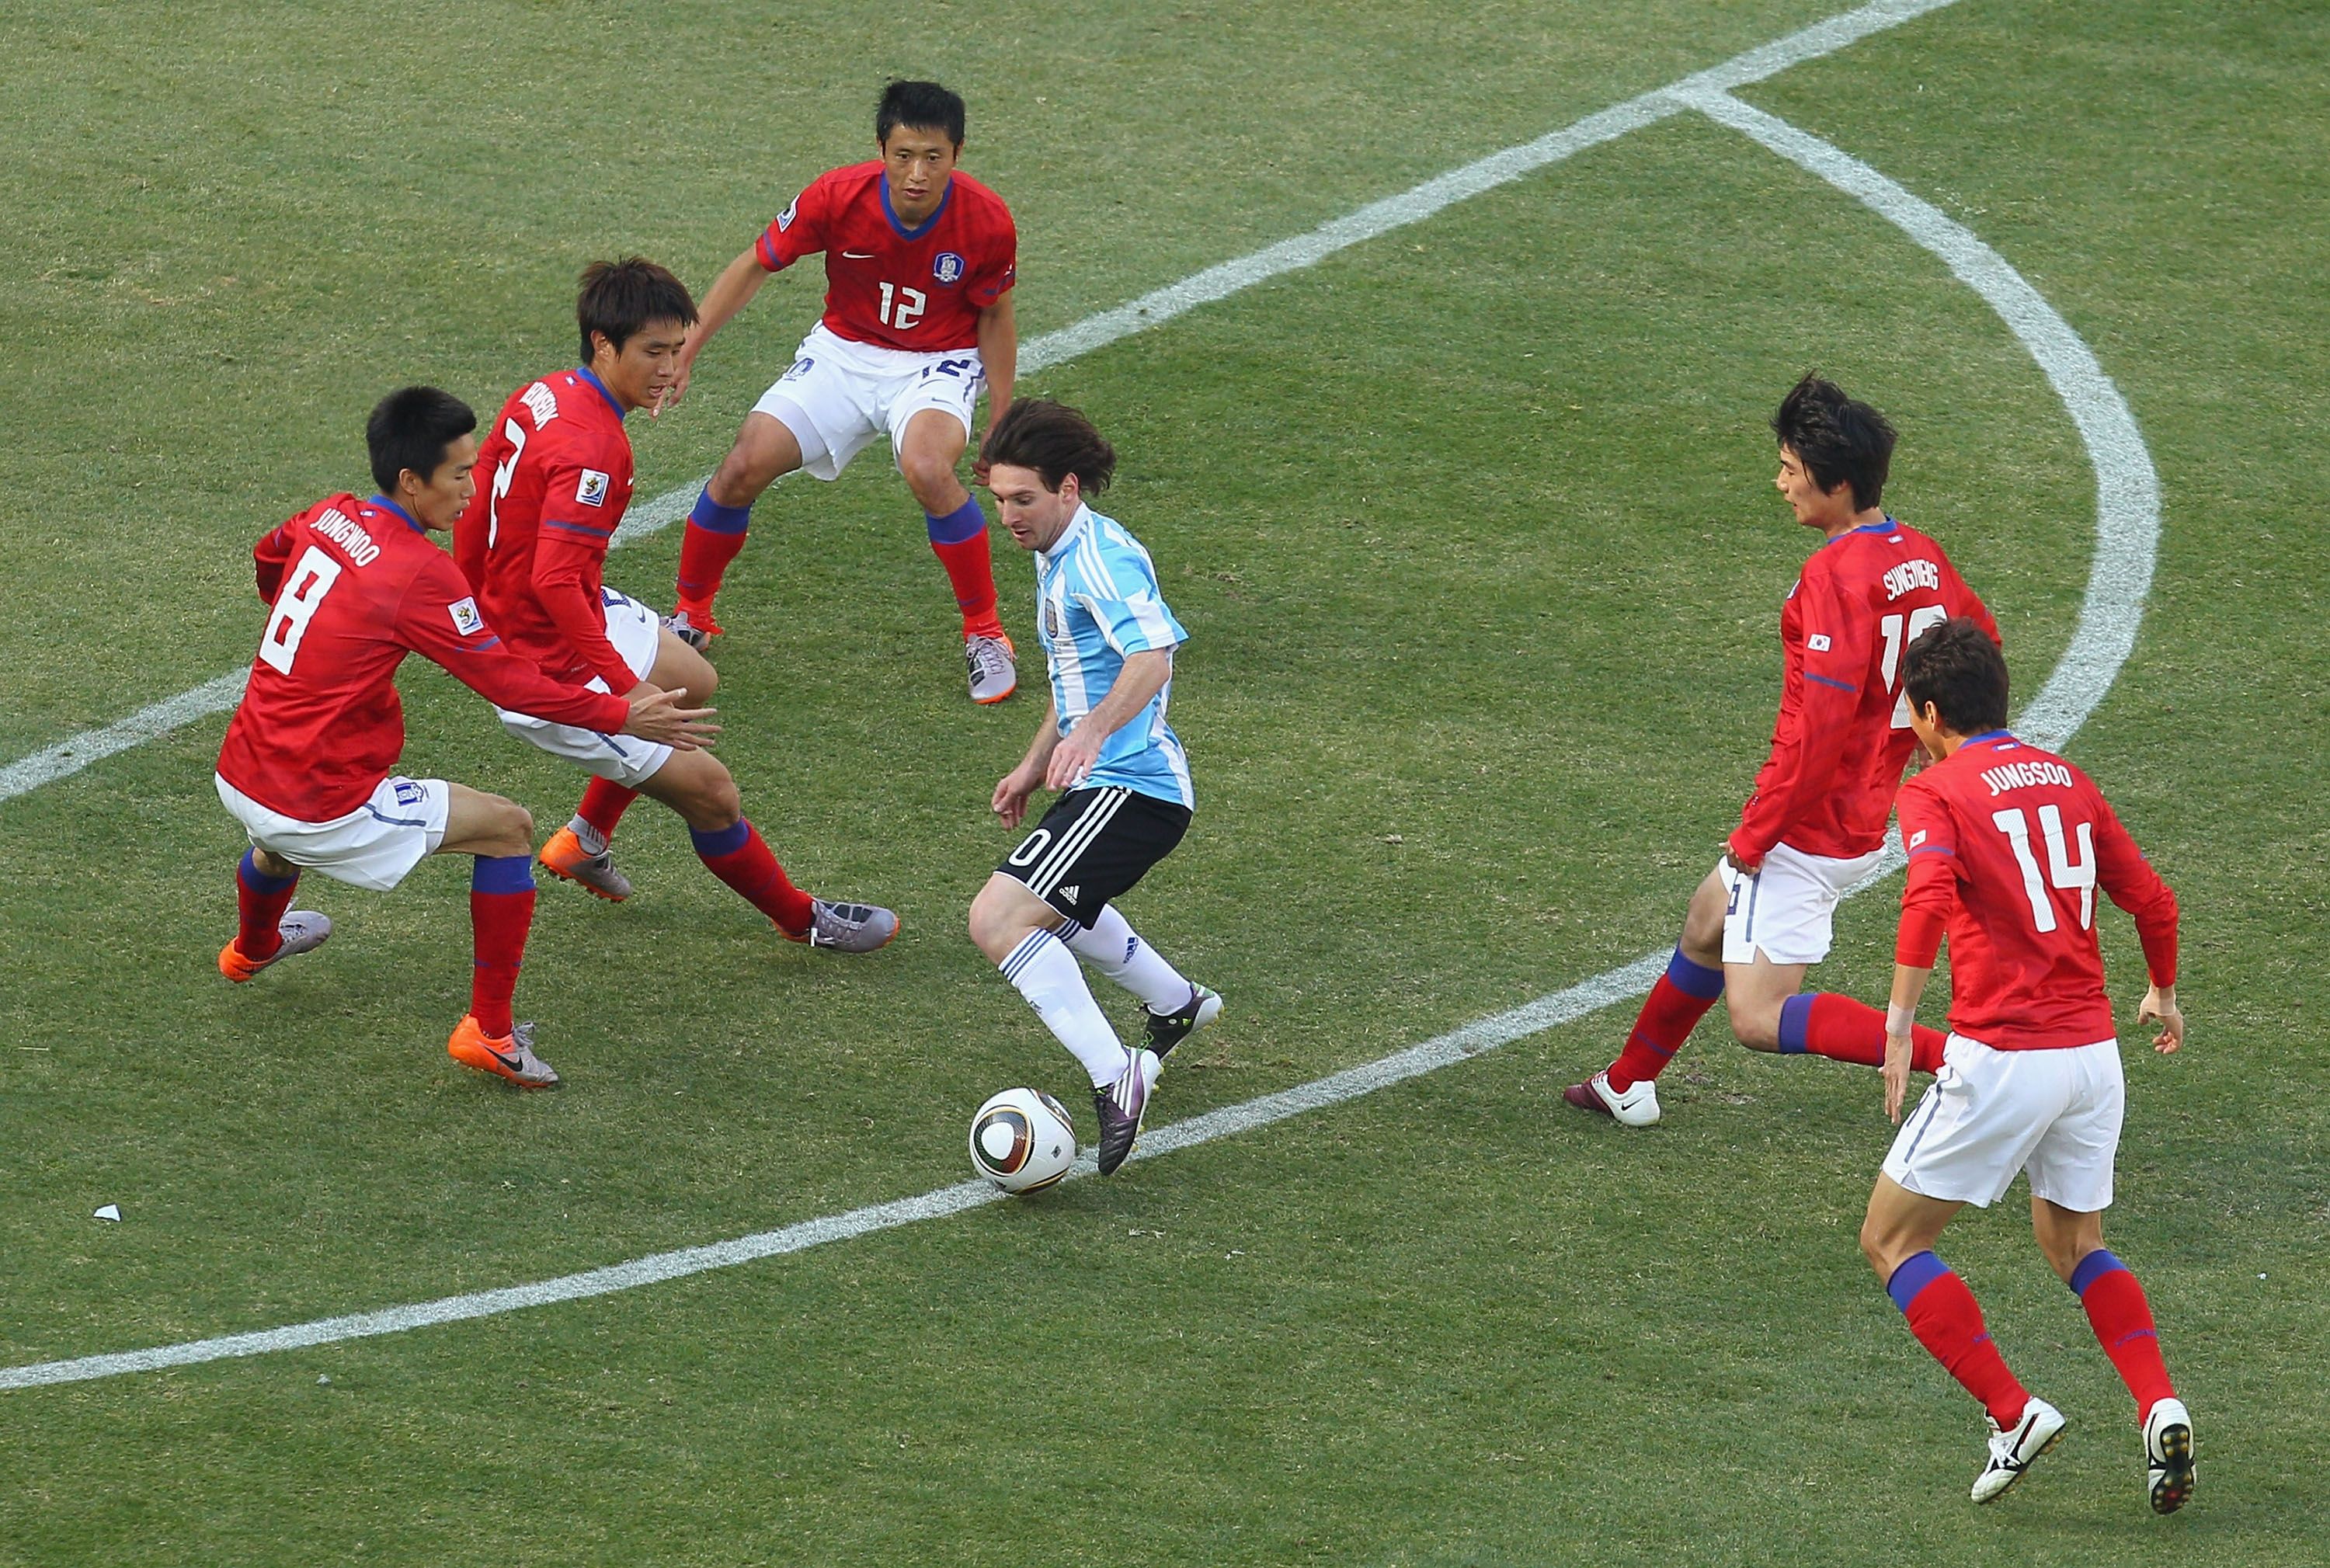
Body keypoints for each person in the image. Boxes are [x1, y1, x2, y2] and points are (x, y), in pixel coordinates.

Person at [214, 386, 717, 1087]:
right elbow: (510, 683)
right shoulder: (421, 572)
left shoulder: (330, 514)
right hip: (316, 798)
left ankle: (251, 948)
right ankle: (490, 1031)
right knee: (508, 827)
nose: (472, 490)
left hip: (241, 768)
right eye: (458, 475)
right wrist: (620, 713)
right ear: (411, 480)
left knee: (273, 840)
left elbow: (270, 553)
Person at [1567, 376, 1999, 1126]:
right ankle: (1628, 1081)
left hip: (1811, 822)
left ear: (1835, 482)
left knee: (1757, 1016)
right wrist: (1929, 745)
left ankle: (1962, 1059)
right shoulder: (1921, 555)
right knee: (1707, 920)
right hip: (1864, 808)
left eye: (1791, 470)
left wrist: (1757, 835)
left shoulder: (1835, 574)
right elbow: (1980, 647)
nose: (1781, 483)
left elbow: (1821, 729)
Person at [455, 259, 898, 951]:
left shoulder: (544, 394)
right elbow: (550, 582)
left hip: (552, 611)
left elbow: (479, 490)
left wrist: (474, 592)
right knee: (713, 792)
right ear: (605, 345)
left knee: (693, 678)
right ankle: (802, 919)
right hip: (548, 666)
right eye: (653, 353)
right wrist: (624, 690)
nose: (670, 367)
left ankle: (585, 840)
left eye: (677, 347)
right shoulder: (596, 451)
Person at [1860, 618, 2190, 1511]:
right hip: (2093, 1060)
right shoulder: (2070, 780)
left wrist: (1898, 1023)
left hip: (2006, 1056)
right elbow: (2150, 897)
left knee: (1891, 1240)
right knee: (2075, 1242)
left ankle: (2013, 1412)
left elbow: (1928, 894)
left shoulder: (1933, 792)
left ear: (1931, 714)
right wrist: (2161, 989)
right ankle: (2158, 1401)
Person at [662, 80, 1022, 704]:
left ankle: (986, 633)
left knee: (929, 469)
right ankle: (691, 616)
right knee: (742, 466)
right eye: (903, 154)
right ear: (881, 148)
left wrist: (1002, 416)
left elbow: (994, 316)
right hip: (843, 351)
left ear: (957, 154)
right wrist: (688, 347)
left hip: (936, 362)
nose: (916, 173)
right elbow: (755, 264)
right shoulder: (835, 196)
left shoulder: (987, 221)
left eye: (933, 157)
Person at [965, 401, 1220, 1175]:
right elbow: (1081, 677)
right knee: (1059, 906)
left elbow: (1152, 659)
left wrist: (1093, 734)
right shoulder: (1061, 550)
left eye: (1024, 500)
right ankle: (1178, 1004)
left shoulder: (1101, 560)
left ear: (1069, 488)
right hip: (1113, 779)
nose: (1008, 515)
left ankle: (1121, 1077)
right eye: (1000, 499)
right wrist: (1037, 759)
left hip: (1135, 788)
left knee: (998, 918)